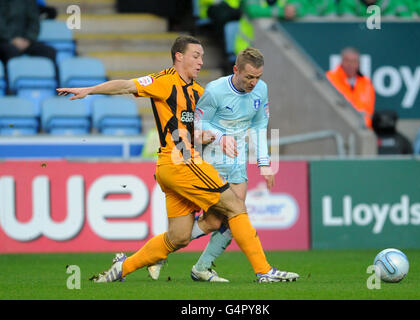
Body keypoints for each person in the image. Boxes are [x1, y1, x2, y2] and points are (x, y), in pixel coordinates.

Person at [57, 35, 298, 283]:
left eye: (203, 56)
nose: (201, 61)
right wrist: (89, 90)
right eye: (196, 56)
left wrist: (210, 137)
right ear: (178, 56)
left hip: (172, 166)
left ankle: (122, 268)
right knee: (235, 206)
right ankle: (264, 271)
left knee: (179, 236)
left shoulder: (197, 92)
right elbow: (126, 85)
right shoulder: (163, 81)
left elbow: (195, 131)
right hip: (180, 160)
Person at [148, 47, 275, 282]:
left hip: (237, 161)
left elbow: (259, 126)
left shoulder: (262, 90)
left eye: (258, 77)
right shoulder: (215, 90)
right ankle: (163, 254)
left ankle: (199, 267)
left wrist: (264, 163)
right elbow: (198, 123)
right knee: (229, 215)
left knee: (224, 220)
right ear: (236, 70)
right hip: (210, 160)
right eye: (249, 77)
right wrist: (220, 137)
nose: (254, 83)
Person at [0, 0, 57, 80]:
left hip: (26, 41)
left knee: (50, 52)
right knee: (11, 52)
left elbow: (34, 22)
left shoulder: (29, 2)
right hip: (4, 41)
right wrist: (11, 39)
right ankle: (10, 85)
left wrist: (28, 39)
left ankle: (56, 86)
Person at [326, 47, 375, 129]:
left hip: (362, 130)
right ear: (341, 62)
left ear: (358, 63)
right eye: (347, 60)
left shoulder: (366, 82)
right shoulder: (330, 79)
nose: (350, 64)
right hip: (339, 128)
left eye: (354, 61)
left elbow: (369, 111)